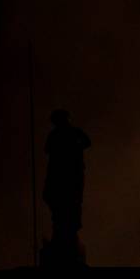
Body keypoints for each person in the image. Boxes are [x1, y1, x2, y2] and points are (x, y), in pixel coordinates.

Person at [41, 109, 91, 264]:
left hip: (68, 180)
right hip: (61, 179)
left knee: (68, 209)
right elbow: (48, 150)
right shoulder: (61, 135)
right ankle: (62, 238)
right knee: (60, 209)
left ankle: (66, 238)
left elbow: (86, 142)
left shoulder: (69, 134)